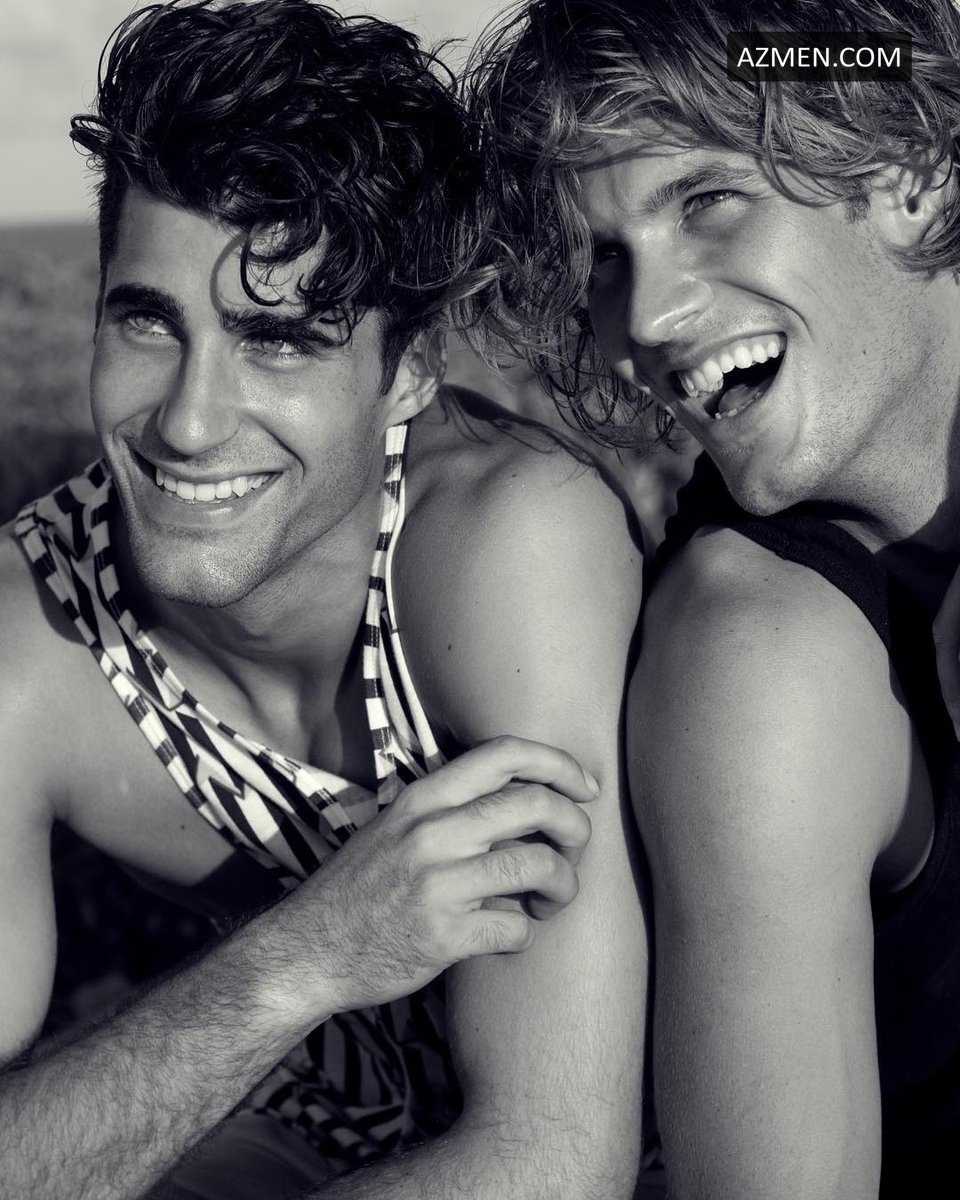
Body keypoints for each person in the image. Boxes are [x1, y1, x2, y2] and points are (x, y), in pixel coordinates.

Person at [0, 2, 648, 1197]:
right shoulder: (32, 638)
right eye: (149, 322)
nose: (190, 422)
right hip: (305, 1125)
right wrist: (305, 958)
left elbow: (557, 1157)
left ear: (409, 370)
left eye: (280, 341)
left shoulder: (505, 543)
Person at [467, 0, 960, 1195]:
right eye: (604, 257)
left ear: (909, 171)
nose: (644, 318)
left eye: (707, 200)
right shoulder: (759, 660)